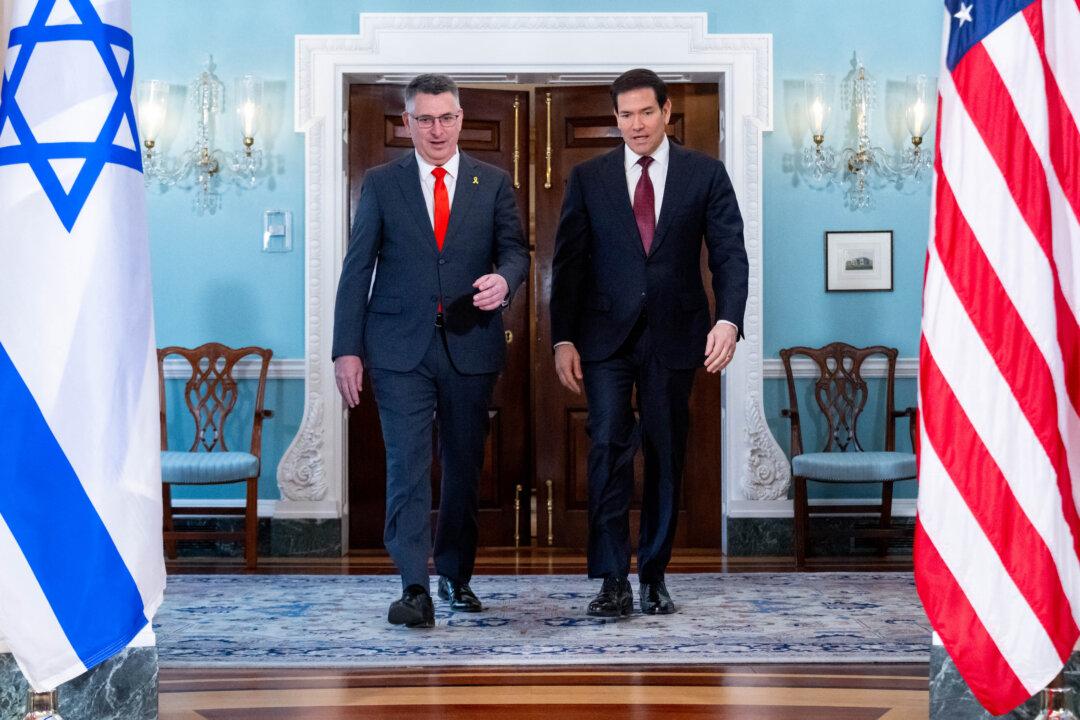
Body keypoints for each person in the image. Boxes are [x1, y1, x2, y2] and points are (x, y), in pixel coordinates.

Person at [549, 68, 748, 617]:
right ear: (615, 118)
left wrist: (728, 321)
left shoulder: (704, 174)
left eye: (645, 112)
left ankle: (654, 574)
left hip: (676, 335)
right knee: (608, 445)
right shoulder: (588, 177)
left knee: (664, 451)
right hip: (604, 338)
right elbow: (567, 264)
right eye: (625, 114)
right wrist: (562, 337)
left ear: (666, 112)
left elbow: (730, 253)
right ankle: (612, 578)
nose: (635, 124)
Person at [332, 74, 529, 628]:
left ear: (461, 119)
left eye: (446, 118)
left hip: (471, 345)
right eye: (424, 119)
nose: (436, 129)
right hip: (398, 350)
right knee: (408, 468)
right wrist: (346, 349)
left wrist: (505, 281)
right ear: (407, 124)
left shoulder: (491, 182)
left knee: (464, 467)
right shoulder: (381, 182)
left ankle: (456, 576)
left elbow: (517, 250)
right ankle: (413, 587)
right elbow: (357, 269)